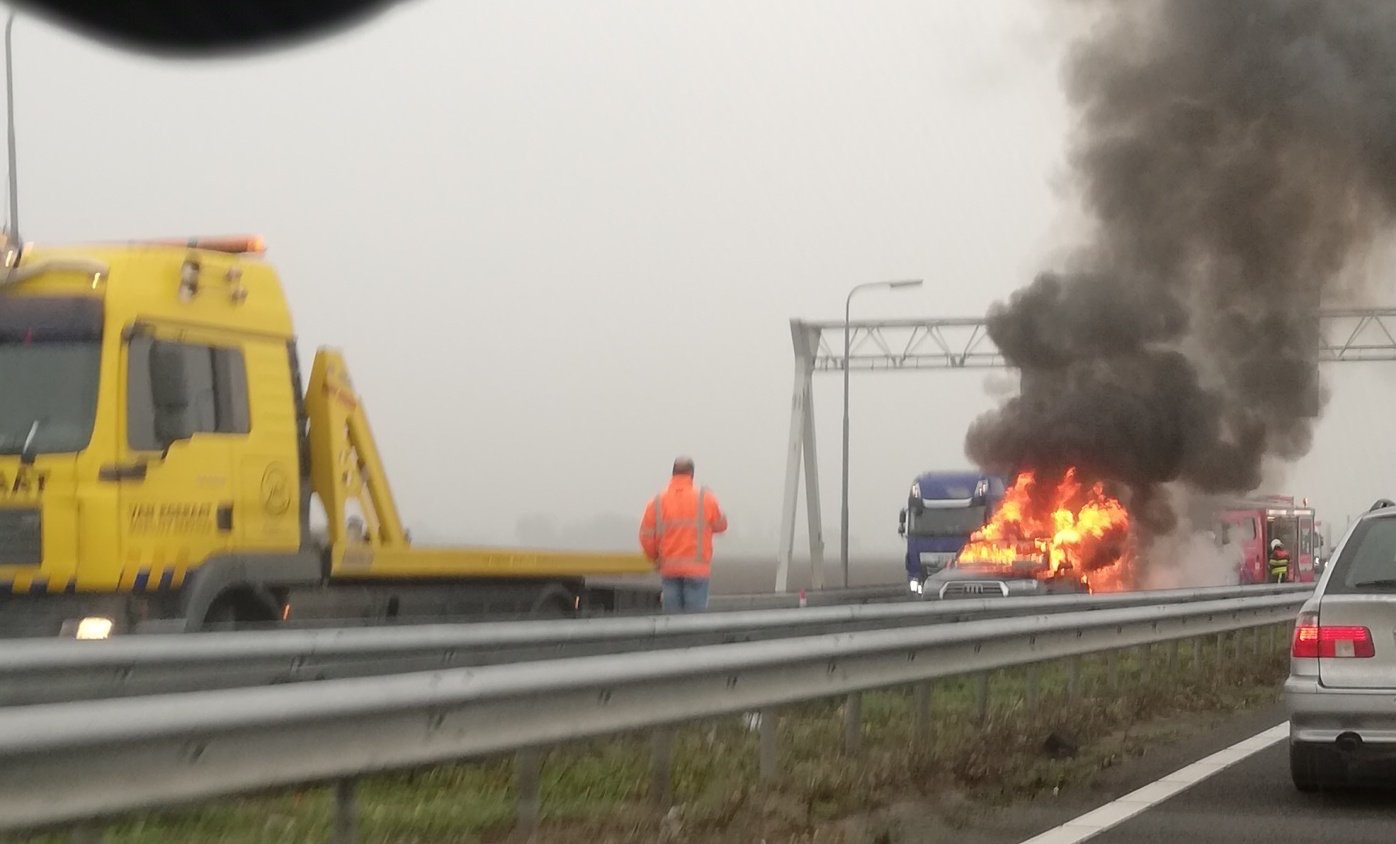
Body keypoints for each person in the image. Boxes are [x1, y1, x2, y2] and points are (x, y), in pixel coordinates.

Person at [639, 456, 728, 612]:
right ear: (691, 474)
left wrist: (655, 557)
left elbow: (646, 536)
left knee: (672, 622)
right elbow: (721, 526)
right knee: (693, 622)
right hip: (697, 570)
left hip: (669, 569)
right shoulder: (705, 499)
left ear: (673, 473)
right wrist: (714, 499)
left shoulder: (657, 501)